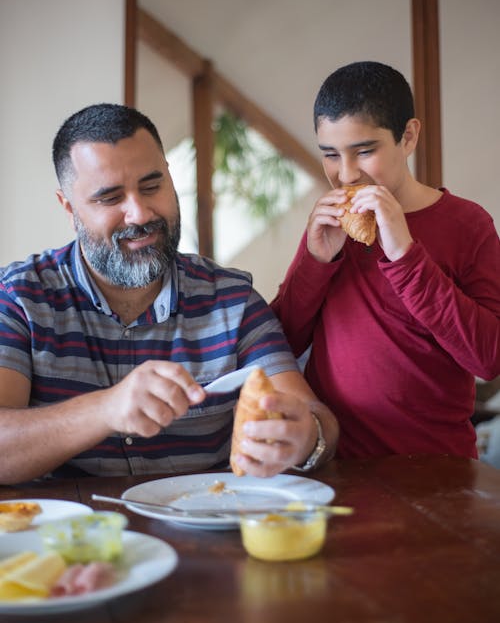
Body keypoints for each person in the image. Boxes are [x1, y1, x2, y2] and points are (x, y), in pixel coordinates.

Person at [0, 103, 338, 484]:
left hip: (208, 528)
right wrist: (104, 411)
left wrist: (307, 438)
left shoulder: (230, 298)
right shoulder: (19, 298)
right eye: (110, 198)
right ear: (69, 207)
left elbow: (313, 414)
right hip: (69, 537)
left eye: (152, 186)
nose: (140, 214)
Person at [271, 61, 500, 459]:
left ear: (408, 136)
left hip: (439, 470)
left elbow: (488, 359)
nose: (345, 175)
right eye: (330, 154)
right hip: (337, 468)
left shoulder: (468, 224)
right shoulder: (329, 230)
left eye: (364, 151)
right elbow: (280, 342)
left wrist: (406, 256)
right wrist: (314, 261)